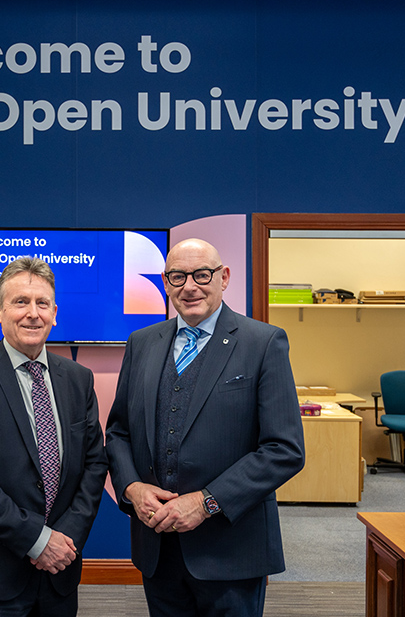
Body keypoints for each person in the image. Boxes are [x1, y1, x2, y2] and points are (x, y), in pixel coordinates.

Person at [105, 238, 306, 617]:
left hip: (231, 549)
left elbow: (285, 449)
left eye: (201, 275)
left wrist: (206, 502)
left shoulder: (263, 343)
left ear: (223, 277)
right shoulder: (142, 343)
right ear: (165, 282)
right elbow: (119, 432)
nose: (190, 287)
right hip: (158, 546)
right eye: (178, 277)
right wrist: (132, 488)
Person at [0, 256, 107, 616]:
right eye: (20, 302)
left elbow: (95, 464)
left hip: (60, 570)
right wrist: (38, 540)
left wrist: (66, 537)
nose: (33, 313)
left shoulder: (78, 379)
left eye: (42, 303)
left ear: (54, 313)